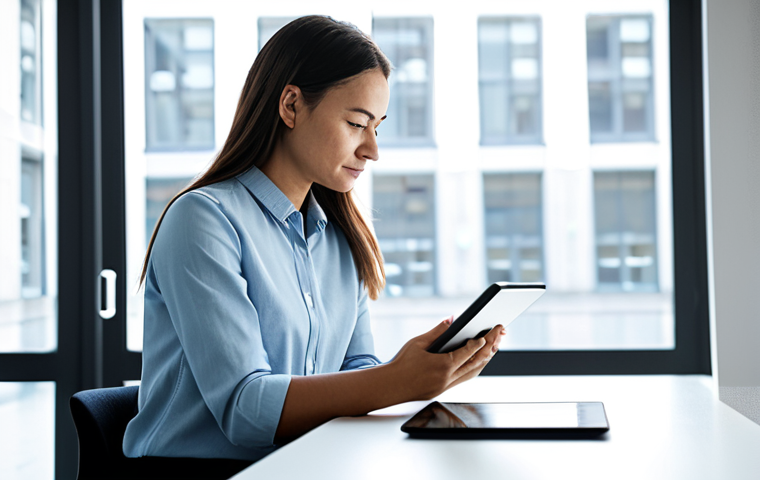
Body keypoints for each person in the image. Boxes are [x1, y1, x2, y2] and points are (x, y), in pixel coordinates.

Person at [123, 15, 505, 465]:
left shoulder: (341, 238)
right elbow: (245, 410)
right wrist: (400, 380)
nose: (372, 149)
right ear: (291, 106)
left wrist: (423, 372)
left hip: (305, 464)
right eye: (356, 123)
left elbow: (357, 371)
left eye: (377, 126)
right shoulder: (203, 220)